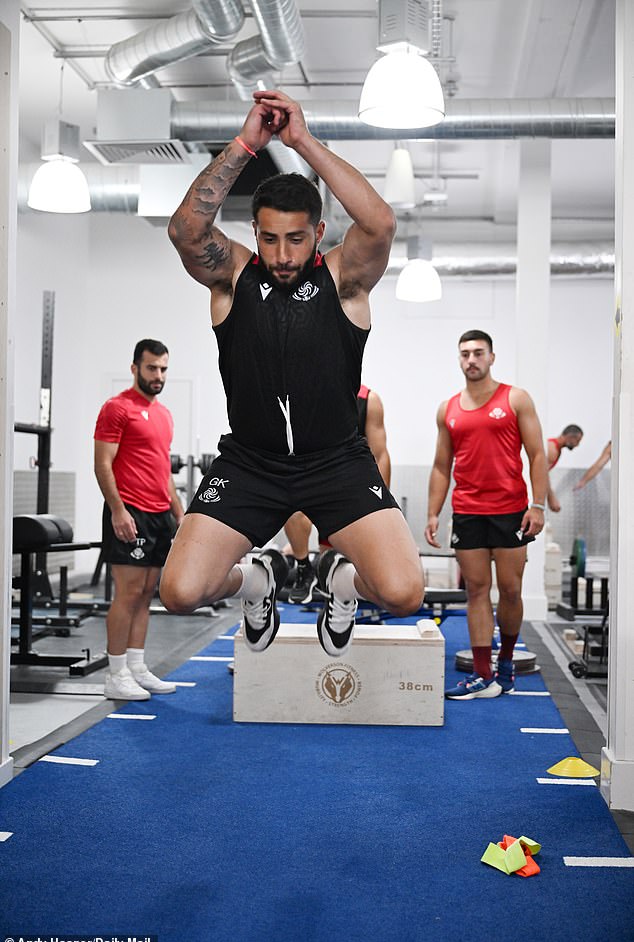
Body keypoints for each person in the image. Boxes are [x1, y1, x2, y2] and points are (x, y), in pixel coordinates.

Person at [160, 88, 424, 657]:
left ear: (319, 231)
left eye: (297, 239)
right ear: (254, 232)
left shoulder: (344, 280)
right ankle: (259, 581)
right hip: (251, 462)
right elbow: (185, 231)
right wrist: (246, 145)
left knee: (404, 593)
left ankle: (340, 582)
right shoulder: (232, 277)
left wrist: (300, 140)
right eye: (269, 238)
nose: (282, 254)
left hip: (335, 460)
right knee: (180, 591)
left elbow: (379, 223)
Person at [424, 330, 548, 699]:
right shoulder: (448, 409)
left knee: (510, 590)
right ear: (459, 359)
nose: (471, 360)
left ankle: (505, 662)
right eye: (465, 354)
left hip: (511, 511)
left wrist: (537, 505)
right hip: (468, 511)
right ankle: (482, 675)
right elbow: (441, 466)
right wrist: (433, 513)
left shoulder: (516, 399)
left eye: (478, 353)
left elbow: (537, 454)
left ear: (492, 357)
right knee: (476, 591)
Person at [94, 339, 184, 701]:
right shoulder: (117, 409)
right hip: (130, 511)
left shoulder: (163, 414)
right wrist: (118, 510)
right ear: (135, 369)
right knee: (128, 593)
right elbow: (103, 464)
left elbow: (163, 471)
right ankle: (116, 674)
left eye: (163, 369)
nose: (158, 375)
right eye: (151, 368)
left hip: (160, 514)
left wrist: (180, 514)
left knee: (147, 594)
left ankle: (136, 666)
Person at [283, 384, 392, 603]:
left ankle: (334, 590)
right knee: (290, 506)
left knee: (333, 567)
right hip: (313, 480)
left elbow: (380, 455)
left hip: (350, 488)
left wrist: (382, 508)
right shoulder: (303, 395)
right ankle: (304, 567)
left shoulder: (368, 401)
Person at [546, 424, 584, 511]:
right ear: (570, 437)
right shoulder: (552, 449)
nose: (577, 445)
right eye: (578, 441)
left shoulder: (555, 448)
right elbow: (541, 474)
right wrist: (551, 498)